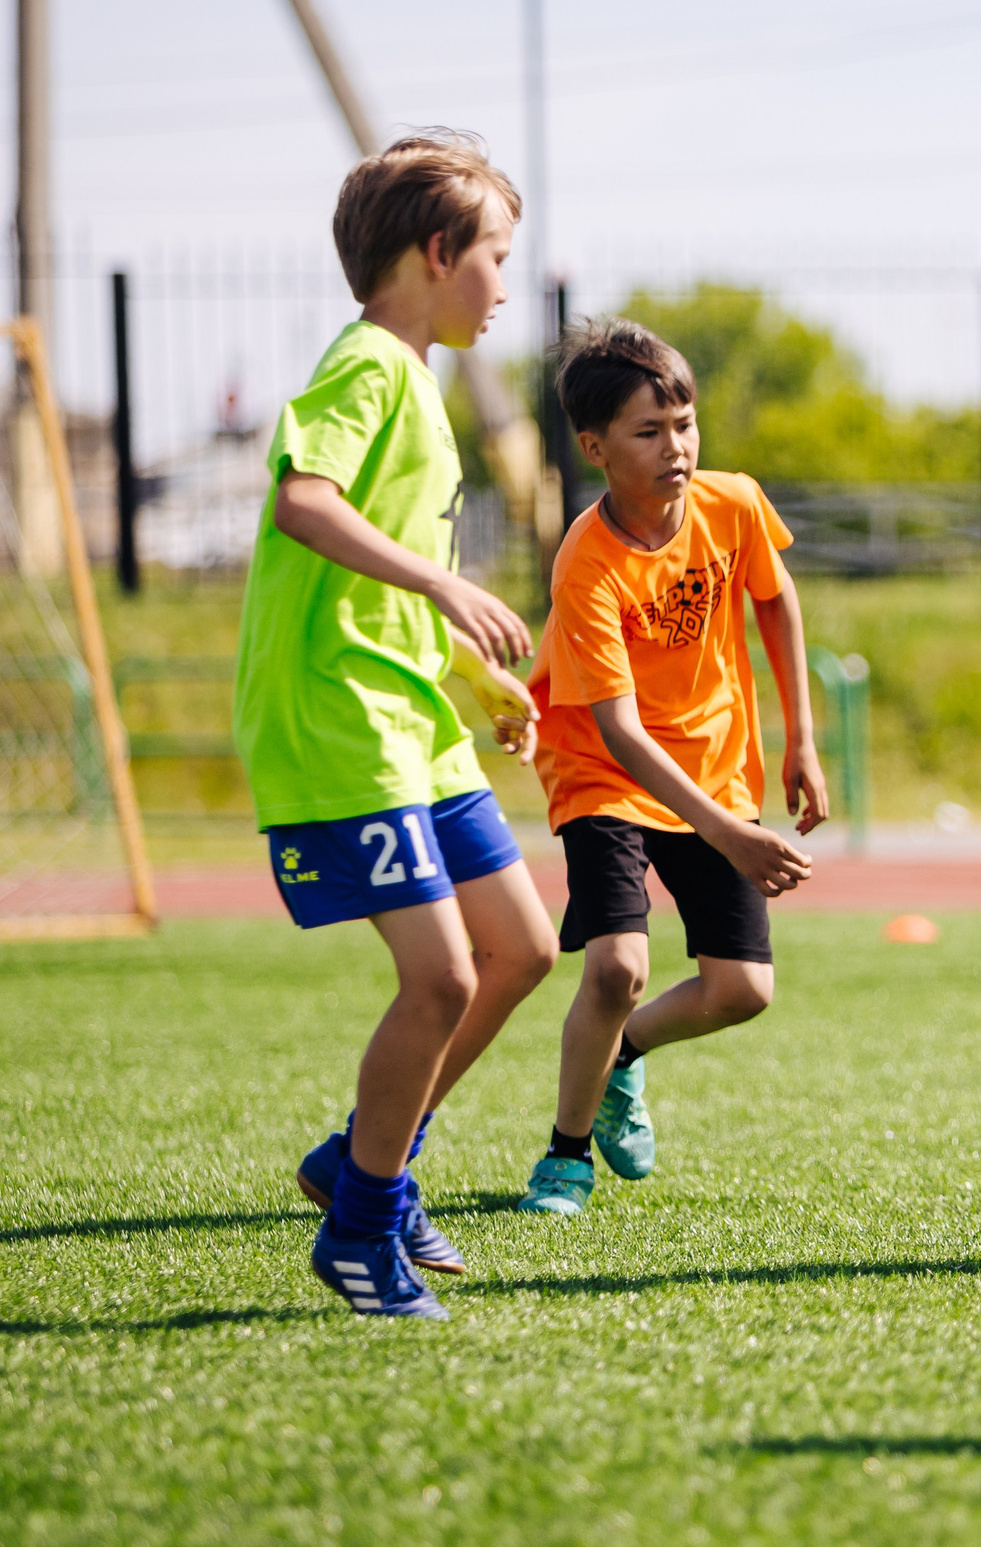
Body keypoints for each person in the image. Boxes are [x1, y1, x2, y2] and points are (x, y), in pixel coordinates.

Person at [242, 131, 560, 1320]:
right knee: (440, 977)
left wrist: (481, 691)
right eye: (495, 255)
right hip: (342, 720)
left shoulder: (417, 384)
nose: (505, 282)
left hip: (413, 721)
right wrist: (443, 590)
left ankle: (358, 1159)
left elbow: (400, 572)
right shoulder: (373, 365)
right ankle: (362, 1224)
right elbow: (303, 502)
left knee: (522, 951)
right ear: (437, 252)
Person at [515, 318, 827, 1216]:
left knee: (744, 990)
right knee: (616, 967)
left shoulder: (732, 504)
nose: (677, 447)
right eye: (649, 432)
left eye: (684, 423)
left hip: (714, 762)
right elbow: (616, 728)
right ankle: (564, 1157)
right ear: (595, 448)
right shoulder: (586, 563)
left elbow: (776, 598)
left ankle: (622, 1055)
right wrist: (730, 833)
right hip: (605, 770)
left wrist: (800, 736)